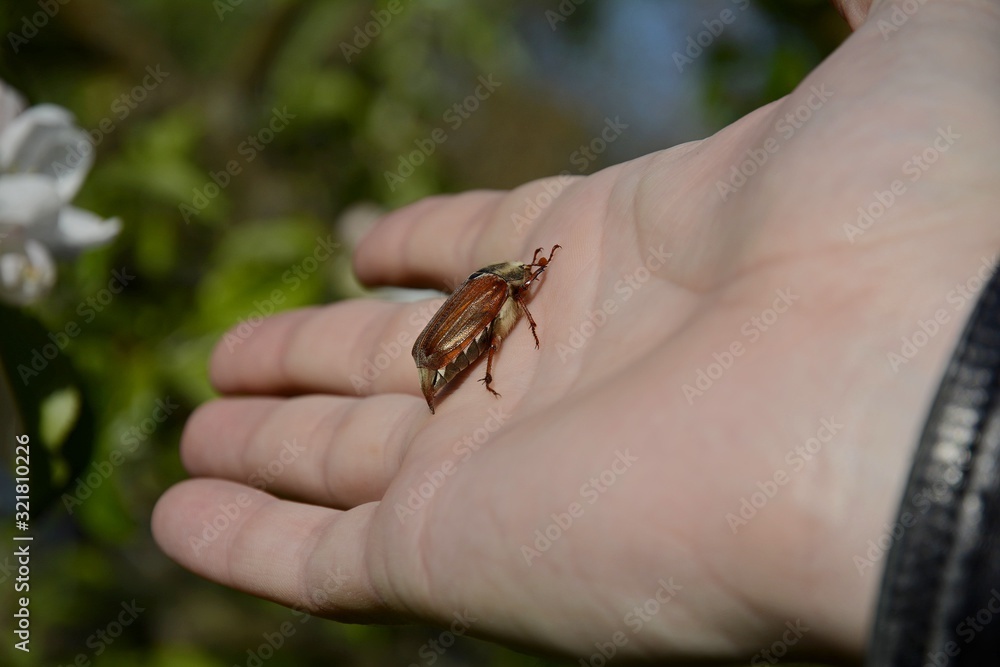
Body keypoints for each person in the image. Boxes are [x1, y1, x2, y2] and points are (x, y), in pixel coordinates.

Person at [152, 0, 1000, 661]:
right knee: (471, 337)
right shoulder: (493, 297)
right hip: (449, 341)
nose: (529, 284)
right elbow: (484, 319)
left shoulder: (506, 284)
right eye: (527, 276)